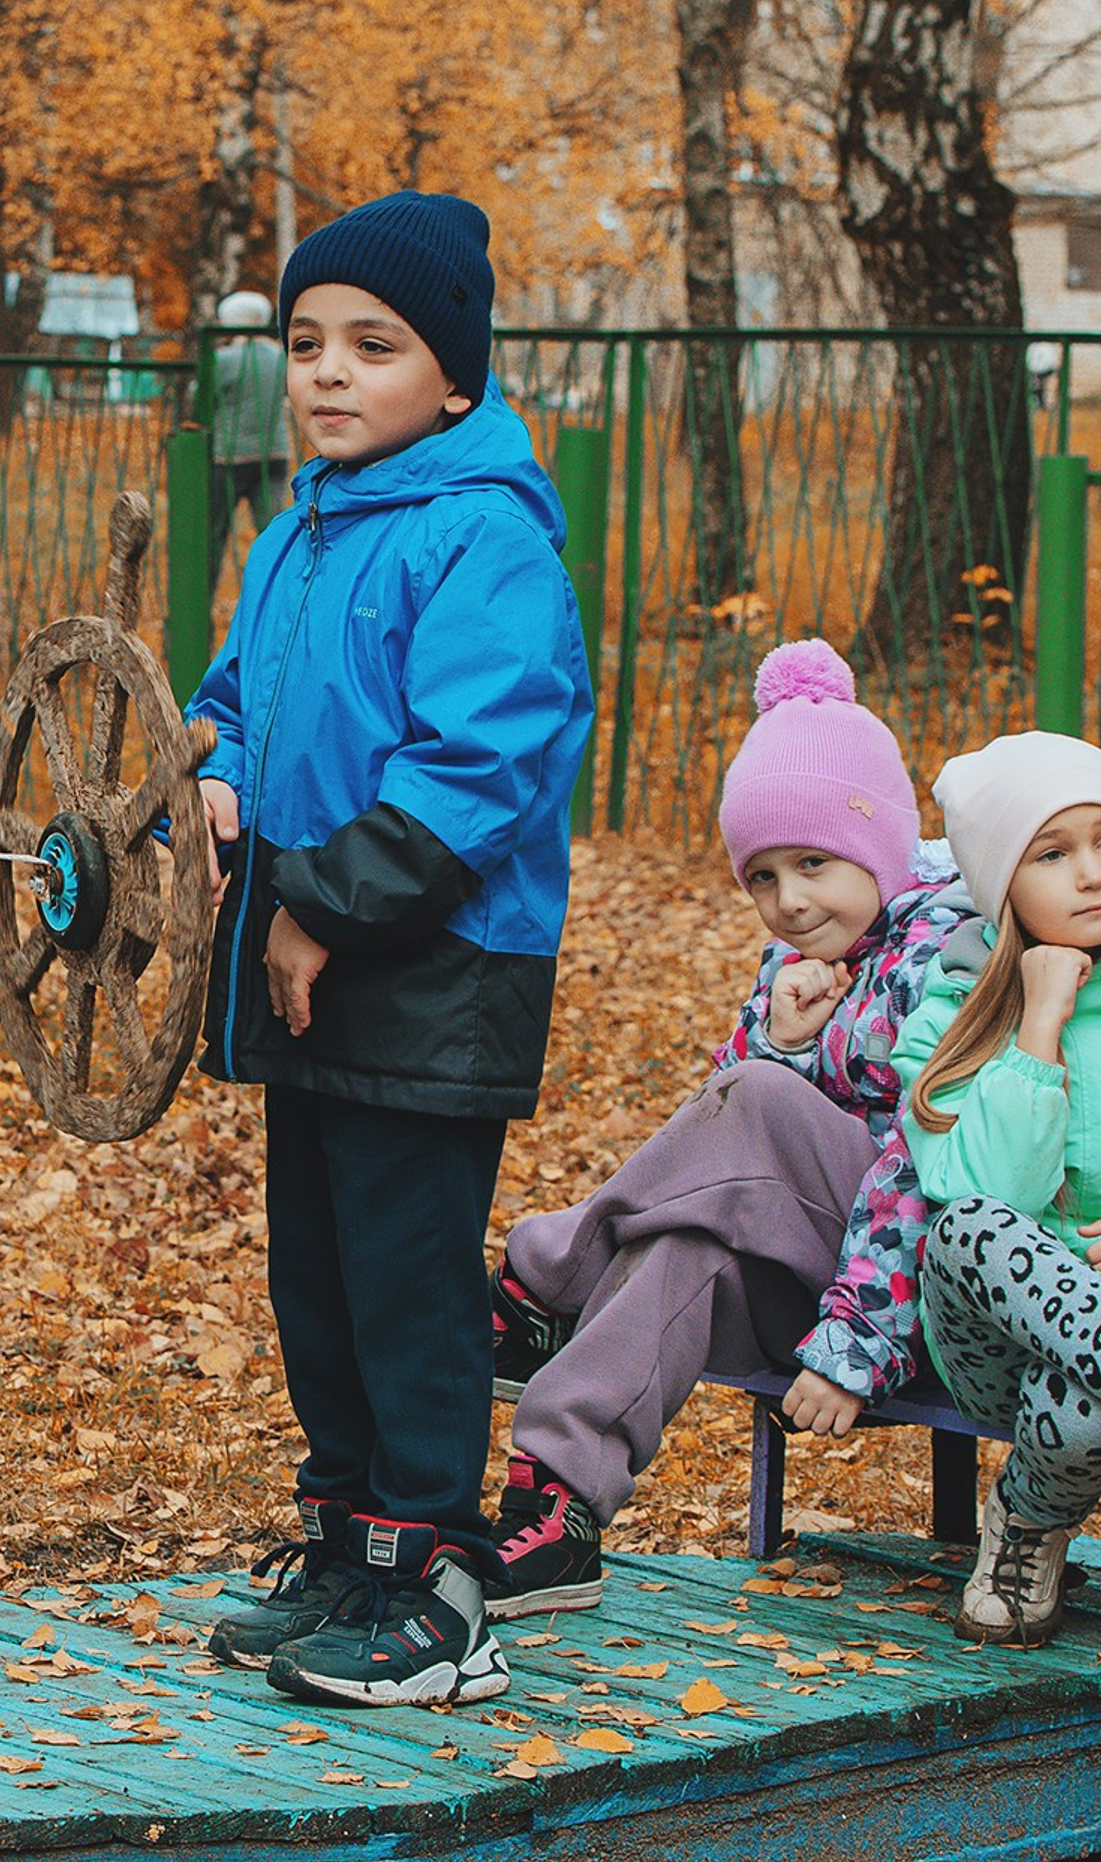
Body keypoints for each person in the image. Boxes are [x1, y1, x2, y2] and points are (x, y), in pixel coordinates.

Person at [188, 190, 593, 1708]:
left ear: (459, 379)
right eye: (308, 342)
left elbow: (475, 770)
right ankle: (352, 1551)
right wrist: (213, 766)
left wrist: (316, 907)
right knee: (323, 1279)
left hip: (430, 970)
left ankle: (439, 1590)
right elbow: (233, 694)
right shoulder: (303, 536)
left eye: (376, 342)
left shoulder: (483, 544)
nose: (332, 371)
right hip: (316, 964)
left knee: (410, 1284)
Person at [482, 642, 967, 1617]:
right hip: (824, 1275)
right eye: (762, 877)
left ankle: (547, 1269)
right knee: (683, 1240)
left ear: (875, 844)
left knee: (750, 1098)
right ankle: (559, 1507)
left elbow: (934, 1159)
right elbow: (716, 1161)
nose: (789, 900)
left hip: (919, 1295)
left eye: (814, 865)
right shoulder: (795, 954)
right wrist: (785, 1039)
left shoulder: (946, 949)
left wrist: (854, 1341)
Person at [897, 733, 1101, 1645]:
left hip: (1081, 1360)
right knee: (973, 1223)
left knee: (1085, 1397)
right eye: (1054, 854)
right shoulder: (946, 1015)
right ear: (1000, 885)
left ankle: (1025, 1523)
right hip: (991, 1341)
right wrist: (1043, 1021)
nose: (1090, 874)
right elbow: (982, 1192)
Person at [208, 290, 295, 561]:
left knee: (213, 535)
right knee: (273, 535)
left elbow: (199, 397)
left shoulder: (224, 360)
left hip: (229, 457)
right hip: (275, 453)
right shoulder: (282, 357)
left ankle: (204, 599)